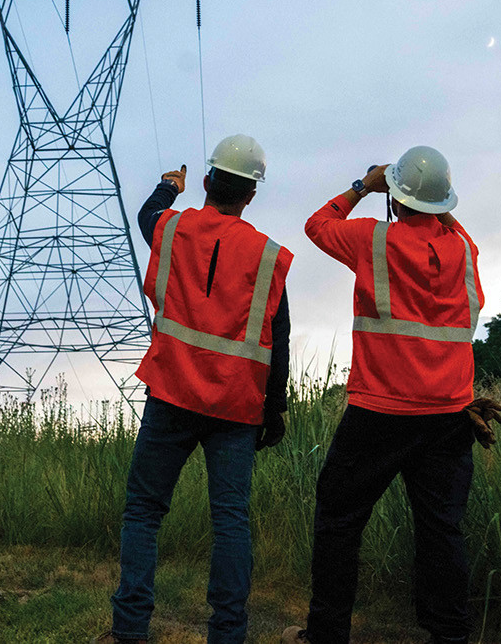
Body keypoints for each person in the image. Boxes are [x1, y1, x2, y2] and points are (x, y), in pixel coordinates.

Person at [283, 146, 497, 644]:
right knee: (442, 531)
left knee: (339, 520)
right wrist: (420, 195)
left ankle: (327, 634)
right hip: (448, 416)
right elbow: (447, 218)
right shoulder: (464, 250)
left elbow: (317, 224)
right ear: (443, 202)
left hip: (379, 412)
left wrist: (363, 186)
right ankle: (450, 637)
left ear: (395, 198)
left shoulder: (371, 239)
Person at [94, 134, 293, 644]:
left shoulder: (173, 227)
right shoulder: (269, 257)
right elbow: (279, 340)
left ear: (206, 181)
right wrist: (275, 414)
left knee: (143, 510)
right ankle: (228, 635)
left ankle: (129, 630)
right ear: (251, 194)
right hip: (236, 408)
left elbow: (146, 217)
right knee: (230, 522)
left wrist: (167, 187)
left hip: (171, 396)